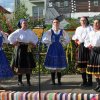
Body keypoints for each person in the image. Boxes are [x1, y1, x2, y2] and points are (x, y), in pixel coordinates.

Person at [8, 19, 38, 86]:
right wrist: (14, 43)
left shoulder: (30, 31)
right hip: (20, 49)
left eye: (26, 23)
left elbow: (35, 38)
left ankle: (28, 81)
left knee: (28, 64)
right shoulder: (18, 31)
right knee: (20, 65)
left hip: (28, 48)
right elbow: (10, 37)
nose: (25, 24)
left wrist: (33, 44)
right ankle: (19, 81)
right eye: (24, 23)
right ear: (21, 24)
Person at [42, 17, 70, 85]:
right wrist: (49, 42)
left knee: (59, 66)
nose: (56, 24)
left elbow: (67, 39)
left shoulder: (62, 31)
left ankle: (59, 81)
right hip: (52, 49)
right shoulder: (49, 31)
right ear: (52, 23)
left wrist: (63, 43)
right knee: (53, 66)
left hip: (59, 49)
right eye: (54, 22)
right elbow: (44, 39)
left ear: (59, 23)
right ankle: (53, 81)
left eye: (57, 22)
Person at [72, 16, 93, 87]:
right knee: (82, 66)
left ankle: (90, 82)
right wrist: (77, 41)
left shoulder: (90, 28)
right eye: (81, 20)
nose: (83, 21)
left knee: (89, 65)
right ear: (80, 21)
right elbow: (75, 37)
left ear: (86, 21)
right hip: (81, 47)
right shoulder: (78, 28)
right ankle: (84, 82)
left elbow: (94, 37)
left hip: (89, 48)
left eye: (84, 20)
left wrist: (91, 45)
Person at [84, 19, 100, 92]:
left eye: (97, 23)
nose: (96, 24)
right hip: (93, 51)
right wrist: (88, 45)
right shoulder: (90, 33)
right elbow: (86, 41)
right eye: (94, 23)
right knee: (94, 70)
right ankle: (98, 85)